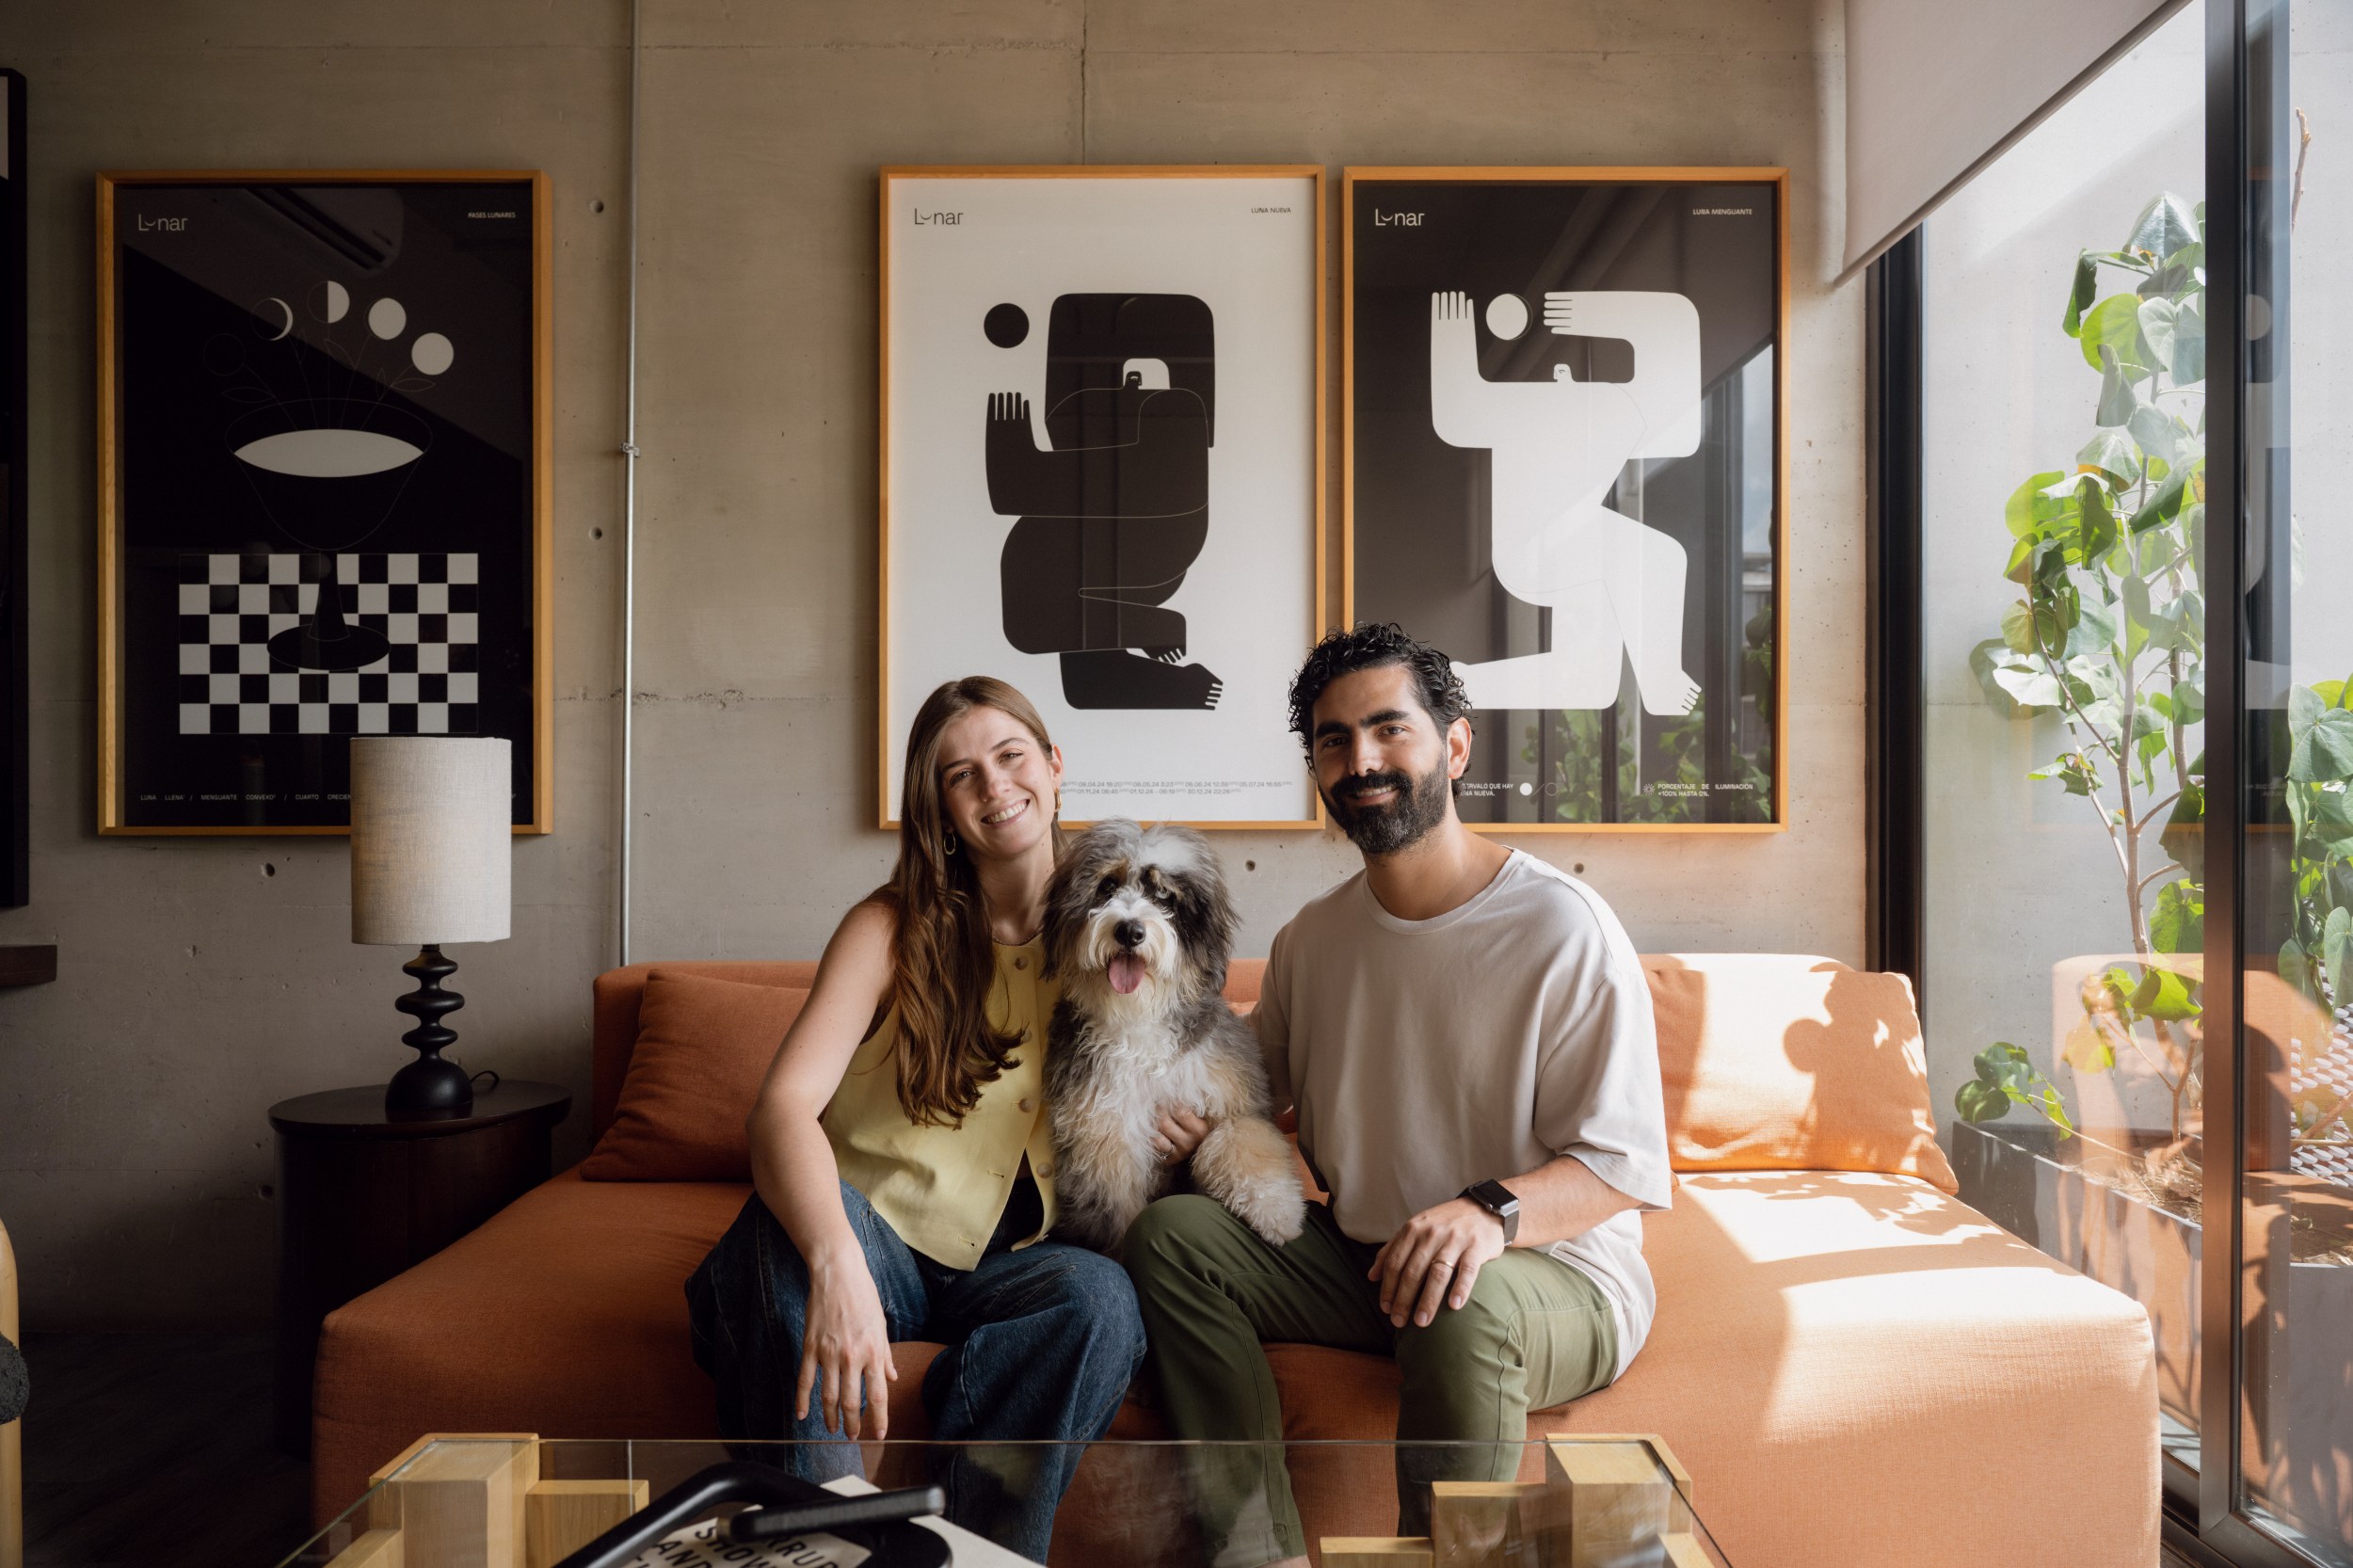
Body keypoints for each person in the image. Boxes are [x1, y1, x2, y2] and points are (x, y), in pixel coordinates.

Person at [1124, 623, 1673, 1567]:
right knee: (1171, 1239)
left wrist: (1487, 1212)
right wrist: (1175, 1114)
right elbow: (1248, 1093)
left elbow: (1621, 1170)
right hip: (1371, 1262)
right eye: (1333, 740)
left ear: (1453, 747)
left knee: (1464, 1295)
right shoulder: (1313, 940)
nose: (1361, 759)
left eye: (1389, 729)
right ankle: (1258, 1553)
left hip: (1552, 1275)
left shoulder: (1561, 926)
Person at [686, 676, 1145, 1561]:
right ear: (938, 808)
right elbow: (780, 1110)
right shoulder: (888, 927)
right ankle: (818, 1544)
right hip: (878, 1233)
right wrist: (837, 1258)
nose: (994, 787)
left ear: (1054, 767)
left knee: (1100, 1297)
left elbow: (1200, 1061)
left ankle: (979, 1555)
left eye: (1011, 757)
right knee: (779, 1236)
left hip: (1021, 1261)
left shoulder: (1122, 926)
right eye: (960, 774)